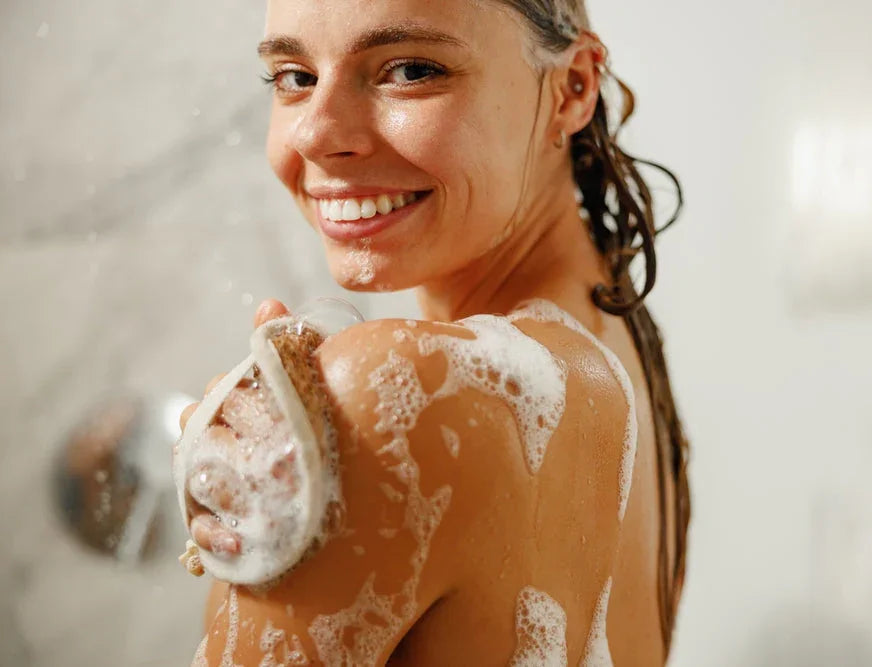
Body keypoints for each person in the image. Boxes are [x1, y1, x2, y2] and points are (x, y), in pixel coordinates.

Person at [178, 0, 690, 663]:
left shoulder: (393, 398)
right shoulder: (621, 343)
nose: (315, 132)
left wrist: (273, 497)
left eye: (411, 69)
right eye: (294, 77)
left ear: (573, 89)